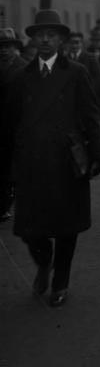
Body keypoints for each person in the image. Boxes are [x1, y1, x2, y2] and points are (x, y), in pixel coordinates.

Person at [5, 9, 100, 307]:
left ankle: (60, 282)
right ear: (33, 39)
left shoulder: (76, 73)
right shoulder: (21, 77)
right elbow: (10, 123)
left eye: (52, 35)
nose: (46, 40)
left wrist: (98, 156)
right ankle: (43, 261)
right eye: (40, 35)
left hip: (67, 161)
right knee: (28, 228)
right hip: (31, 162)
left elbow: (91, 116)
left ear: (62, 40)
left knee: (67, 226)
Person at [0, 28, 27, 222]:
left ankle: (16, 200)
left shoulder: (24, 68)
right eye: (1, 47)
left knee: (16, 167)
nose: (3, 51)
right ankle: (3, 204)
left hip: (17, 126)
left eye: (7, 46)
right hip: (0, 126)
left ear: (15, 48)